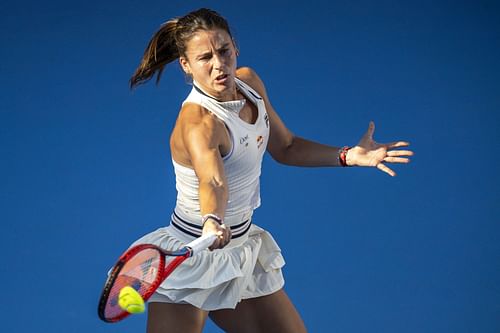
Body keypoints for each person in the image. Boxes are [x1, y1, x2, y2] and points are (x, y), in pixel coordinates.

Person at [128, 8, 413, 333]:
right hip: (194, 251)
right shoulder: (199, 122)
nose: (219, 64)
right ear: (186, 65)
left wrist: (349, 156)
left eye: (223, 51)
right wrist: (213, 221)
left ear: (235, 47)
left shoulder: (249, 82)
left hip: (238, 246)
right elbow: (213, 179)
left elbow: (286, 147)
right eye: (205, 57)